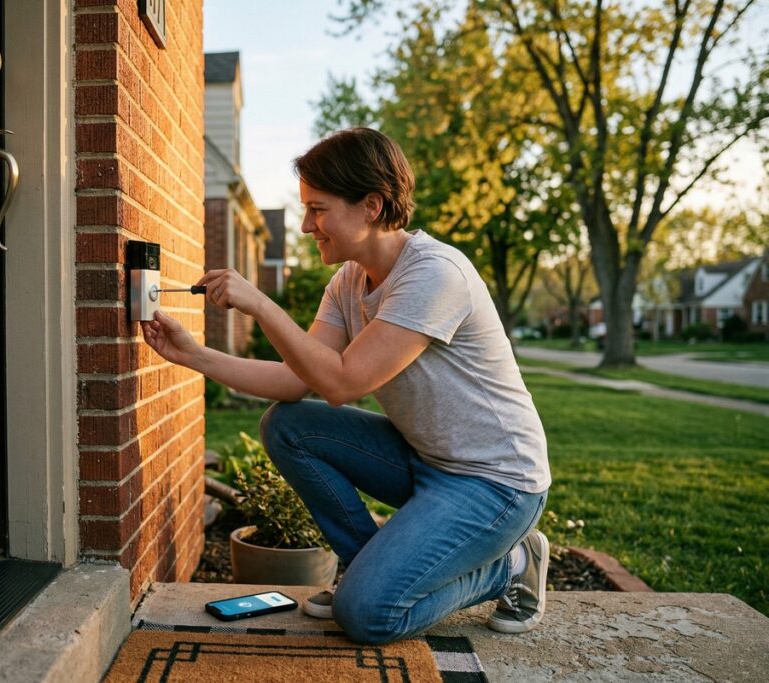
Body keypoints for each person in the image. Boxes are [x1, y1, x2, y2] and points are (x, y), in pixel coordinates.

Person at [141, 127, 551, 644]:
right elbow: (298, 380)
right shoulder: (350, 280)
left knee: (368, 617)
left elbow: (344, 383)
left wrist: (261, 303)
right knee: (289, 426)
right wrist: (193, 355)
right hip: (428, 461)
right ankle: (366, 572)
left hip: (496, 483)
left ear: (372, 206)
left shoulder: (434, 275)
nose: (308, 225)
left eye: (319, 209)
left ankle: (511, 564)